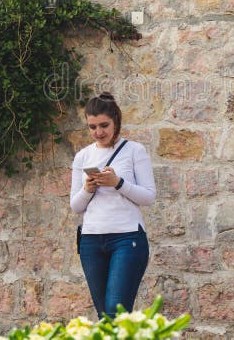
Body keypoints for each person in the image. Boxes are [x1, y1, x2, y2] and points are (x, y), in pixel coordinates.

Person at [70, 93, 156, 318]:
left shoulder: (134, 150)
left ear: (116, 121)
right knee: (104, 318)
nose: (98, 132)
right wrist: (88, 189)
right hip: (91, 241)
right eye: (92, 127)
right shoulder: (82, 156)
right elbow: (76, 206)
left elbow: (148, 196)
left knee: (115, 314)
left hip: (127, 239)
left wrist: (118, 183)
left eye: (104, 125)